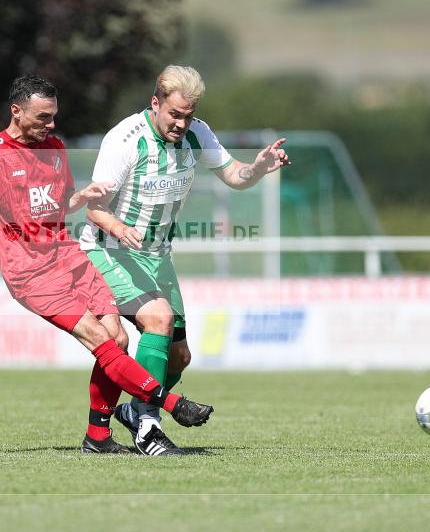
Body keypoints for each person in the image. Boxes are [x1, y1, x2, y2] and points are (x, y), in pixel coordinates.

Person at [0, 74, 214, 454]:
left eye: (53, 117)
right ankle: (167, 405)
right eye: (43, 117)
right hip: (30, 274)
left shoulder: (54, 147)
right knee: (102, 342)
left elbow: (57, 207)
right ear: (16, 112)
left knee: (119, 337)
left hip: (70, 258)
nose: (51, 125)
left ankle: (97, 437)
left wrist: (82, 196)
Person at [80, 65, 290, 456]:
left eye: (187, 116)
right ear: (155, 103)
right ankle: (147, 428)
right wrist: (122, 229)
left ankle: (132, 413)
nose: (180, 123)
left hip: (157, 256)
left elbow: (235, 176)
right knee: (156, 320)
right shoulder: (125, 140)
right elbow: (94, 209)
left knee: (180, 356)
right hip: (110, 250)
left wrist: (259, 168)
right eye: (174, 114)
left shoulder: (198, 133)